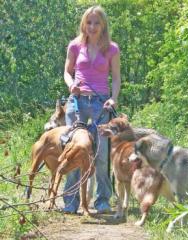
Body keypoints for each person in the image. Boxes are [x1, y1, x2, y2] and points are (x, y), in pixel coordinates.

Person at [62, 5, 121, 214]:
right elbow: (67, 72)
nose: (92, 26)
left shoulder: (112, 48)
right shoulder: (75, 46)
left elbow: (116, 78)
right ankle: (70, 202)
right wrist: (71, 85)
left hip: (101, 104)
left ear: (103, 24)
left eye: (97, 23)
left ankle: (102, 201)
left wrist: (113, 99)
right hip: (77, 103)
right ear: (83, 24)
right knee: (74, 151)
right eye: (89, 22)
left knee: (102, 153)